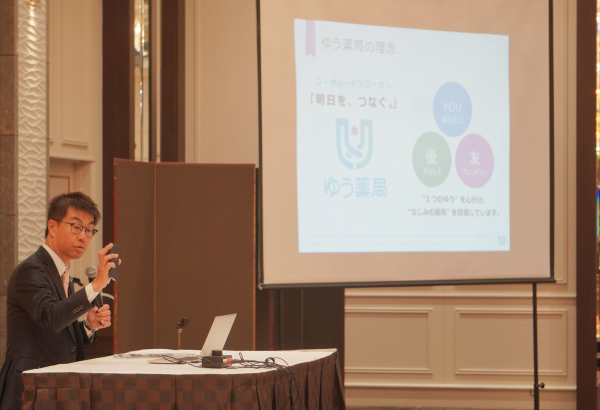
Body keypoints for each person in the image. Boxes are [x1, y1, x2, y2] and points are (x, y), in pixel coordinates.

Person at [0, 192, 119, 409]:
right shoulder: (31, 270)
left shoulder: (62, 273)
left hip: (56, 386)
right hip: (30, 389)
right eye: (76, 227)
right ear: (52, 227)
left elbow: (61, 338)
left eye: (89, 229)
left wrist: (88, 326)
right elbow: (51, 318)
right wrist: (96, 285)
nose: (83, 236)